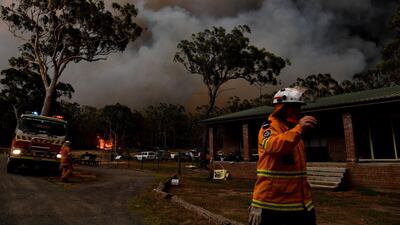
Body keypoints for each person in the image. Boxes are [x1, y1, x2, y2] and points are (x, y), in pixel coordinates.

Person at [249, 87, 318, 225]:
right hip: (272, 204)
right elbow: (273, 146)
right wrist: (299, 129)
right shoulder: (268, 128)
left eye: (299, 107)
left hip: (300, 204)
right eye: (294, 107)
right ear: (282, 107)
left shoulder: (292, 131)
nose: (298, 111)